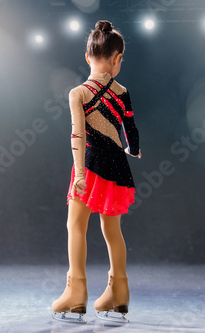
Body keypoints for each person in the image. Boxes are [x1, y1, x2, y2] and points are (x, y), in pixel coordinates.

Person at [51, 20, 141, 324]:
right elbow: (130, 127)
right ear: (116, 59)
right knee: (112, 230)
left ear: (88, 57)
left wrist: (78, 175)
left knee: (75, 225)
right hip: (117, 167)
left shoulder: (79, 93)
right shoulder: (122, 90)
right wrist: (134, 149)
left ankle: (76, 293)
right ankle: (119, 293)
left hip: (89, 168)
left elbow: (77, 136)